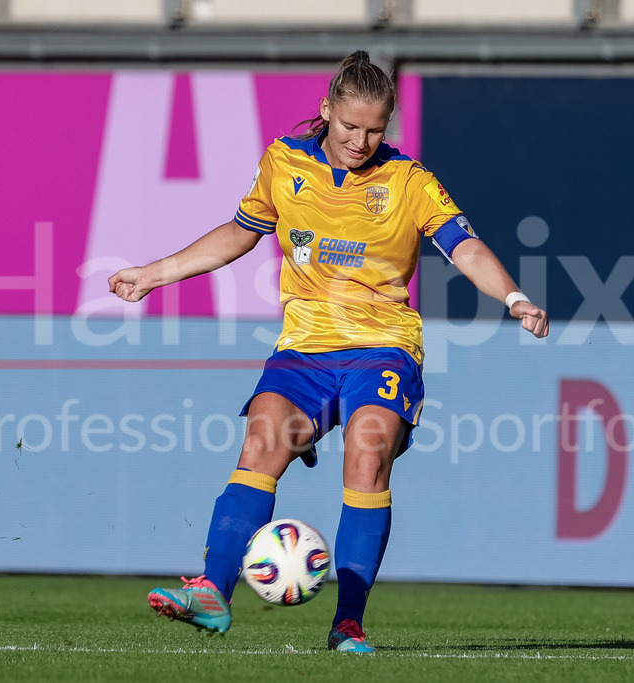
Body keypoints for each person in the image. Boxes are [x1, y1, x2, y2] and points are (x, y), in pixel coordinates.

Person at [107, 50, 548, 654]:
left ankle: (348, 622)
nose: (361, 140)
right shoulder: (283, 163)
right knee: (262, 440)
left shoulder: (408, 182)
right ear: (327, 112)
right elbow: (240, 231)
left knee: (366, 454)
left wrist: (515, 298)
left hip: (383, 347)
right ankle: (213, 591)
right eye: (350, 127)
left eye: (374, 130)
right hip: (305, 348)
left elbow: (463, 247)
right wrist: (157, 273)